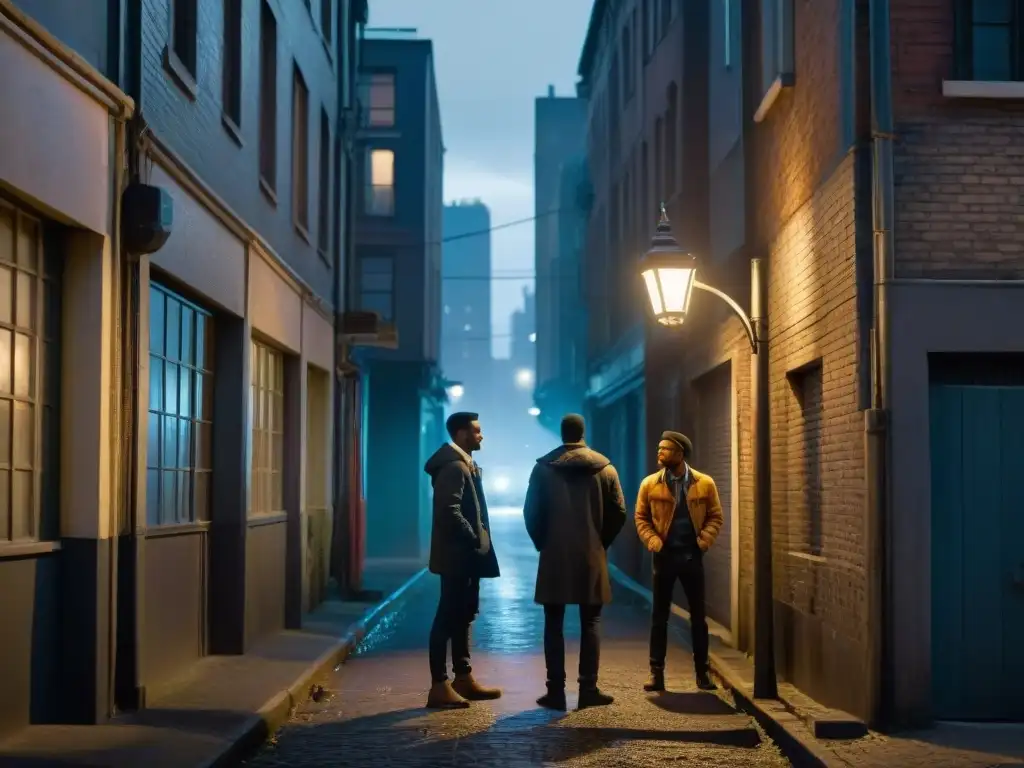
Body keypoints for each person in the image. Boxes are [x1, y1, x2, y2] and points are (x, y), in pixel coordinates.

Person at [523, 413, 627, 711]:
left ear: (561, 432)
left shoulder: (543, 469)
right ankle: (588, 689)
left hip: (554, 555)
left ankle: (555, 691)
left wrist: (543, 542)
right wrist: (600, 542)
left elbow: (531, 511)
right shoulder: (605, 469)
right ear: (584, 432)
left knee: (553, 623)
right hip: (591, 555)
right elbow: (619, 512)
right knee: (590, 622)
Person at [423, 411, 502, 709]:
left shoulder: (466, 464)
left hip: (467, 558)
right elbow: (449, 510)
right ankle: (439, 684)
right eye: (476, 430)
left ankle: (463, 677)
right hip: (457, 557)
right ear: (460, 434)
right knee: (447, 616)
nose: (481, 436)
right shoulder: (455, 467)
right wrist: (473, 538)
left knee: (465, 614)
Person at [635, 430, 724, 692]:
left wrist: (703, 541)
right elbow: (641, 517)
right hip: (663, 557)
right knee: (659, 616)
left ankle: (702, 673)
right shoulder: (650, 484)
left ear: (680, 453)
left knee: (698, 617)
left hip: (691, 556)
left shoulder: (704, 483)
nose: (659, 452)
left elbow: (715, 517)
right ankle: (656, 673)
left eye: (665, 449)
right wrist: (653, 541)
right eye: (659, 448)